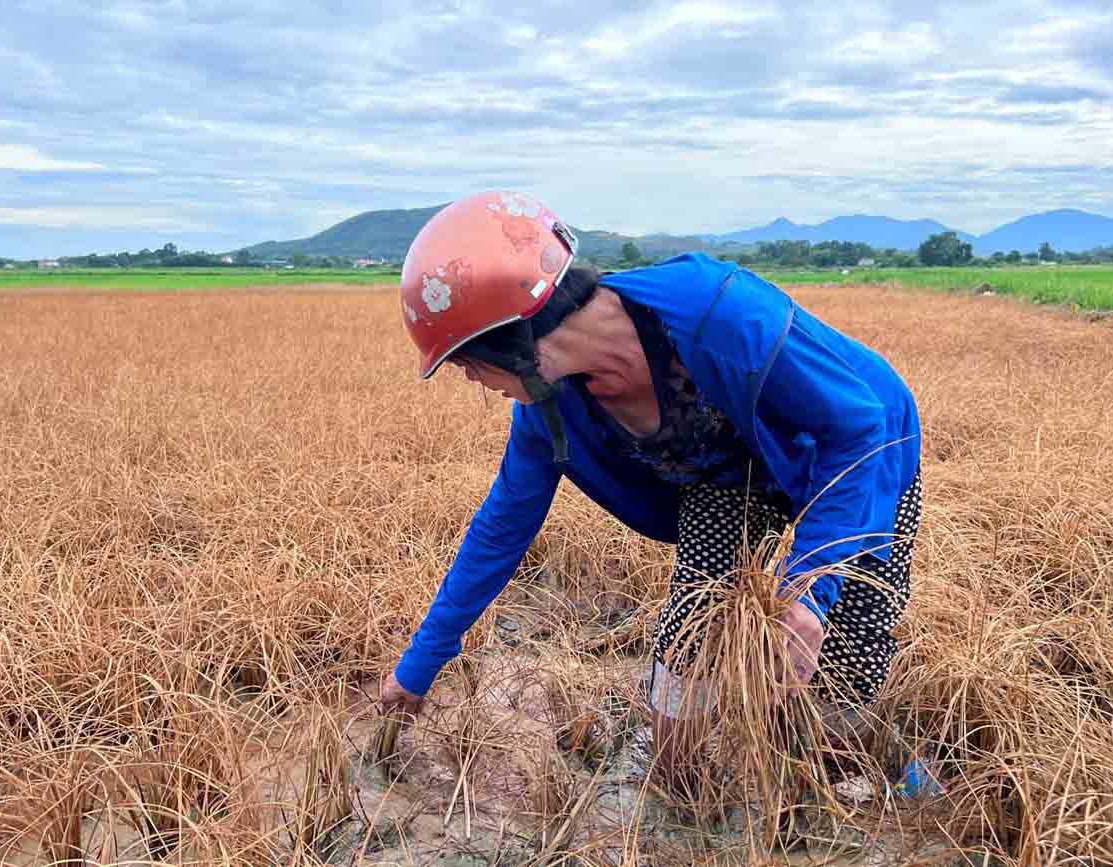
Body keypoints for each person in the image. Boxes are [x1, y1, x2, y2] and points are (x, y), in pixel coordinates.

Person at [378, 191, 922, 795]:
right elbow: (502, 527)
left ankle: (883, 776)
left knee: (844, 653)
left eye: (466, 364)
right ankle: (679, 795)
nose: (475, 381)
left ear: (509, 338)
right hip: (730, 481)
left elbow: (857, 432)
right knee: (691, 625)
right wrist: (419, 665)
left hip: (857, 454)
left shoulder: (720, 313)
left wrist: (810, 590)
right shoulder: (551, 409)